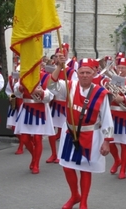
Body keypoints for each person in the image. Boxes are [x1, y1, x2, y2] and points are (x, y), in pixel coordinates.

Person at [48, 56, 114, 209]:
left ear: (94, 73)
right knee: (67, 166)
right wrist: (59, 66)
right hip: (70, 133)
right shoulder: (70, 86)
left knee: (85, 169)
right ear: (77, 73)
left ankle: (83, 201)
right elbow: (51, 86)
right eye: (82, 72)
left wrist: (107, 141)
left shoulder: (101, 93)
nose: (85, 75)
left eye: (88, 72)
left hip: (91, 135)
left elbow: (106, 118)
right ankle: (74, 195)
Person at [14, 71, 55, 174]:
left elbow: (51, 95)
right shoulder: (24, 76)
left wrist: (42, 92)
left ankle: (36, 164)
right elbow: (16, 92)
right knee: (24, 138)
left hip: (40, 109)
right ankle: (34, 157)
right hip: (26, 108)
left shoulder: (46, 76)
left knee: (37, 138)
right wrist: (20, 89)